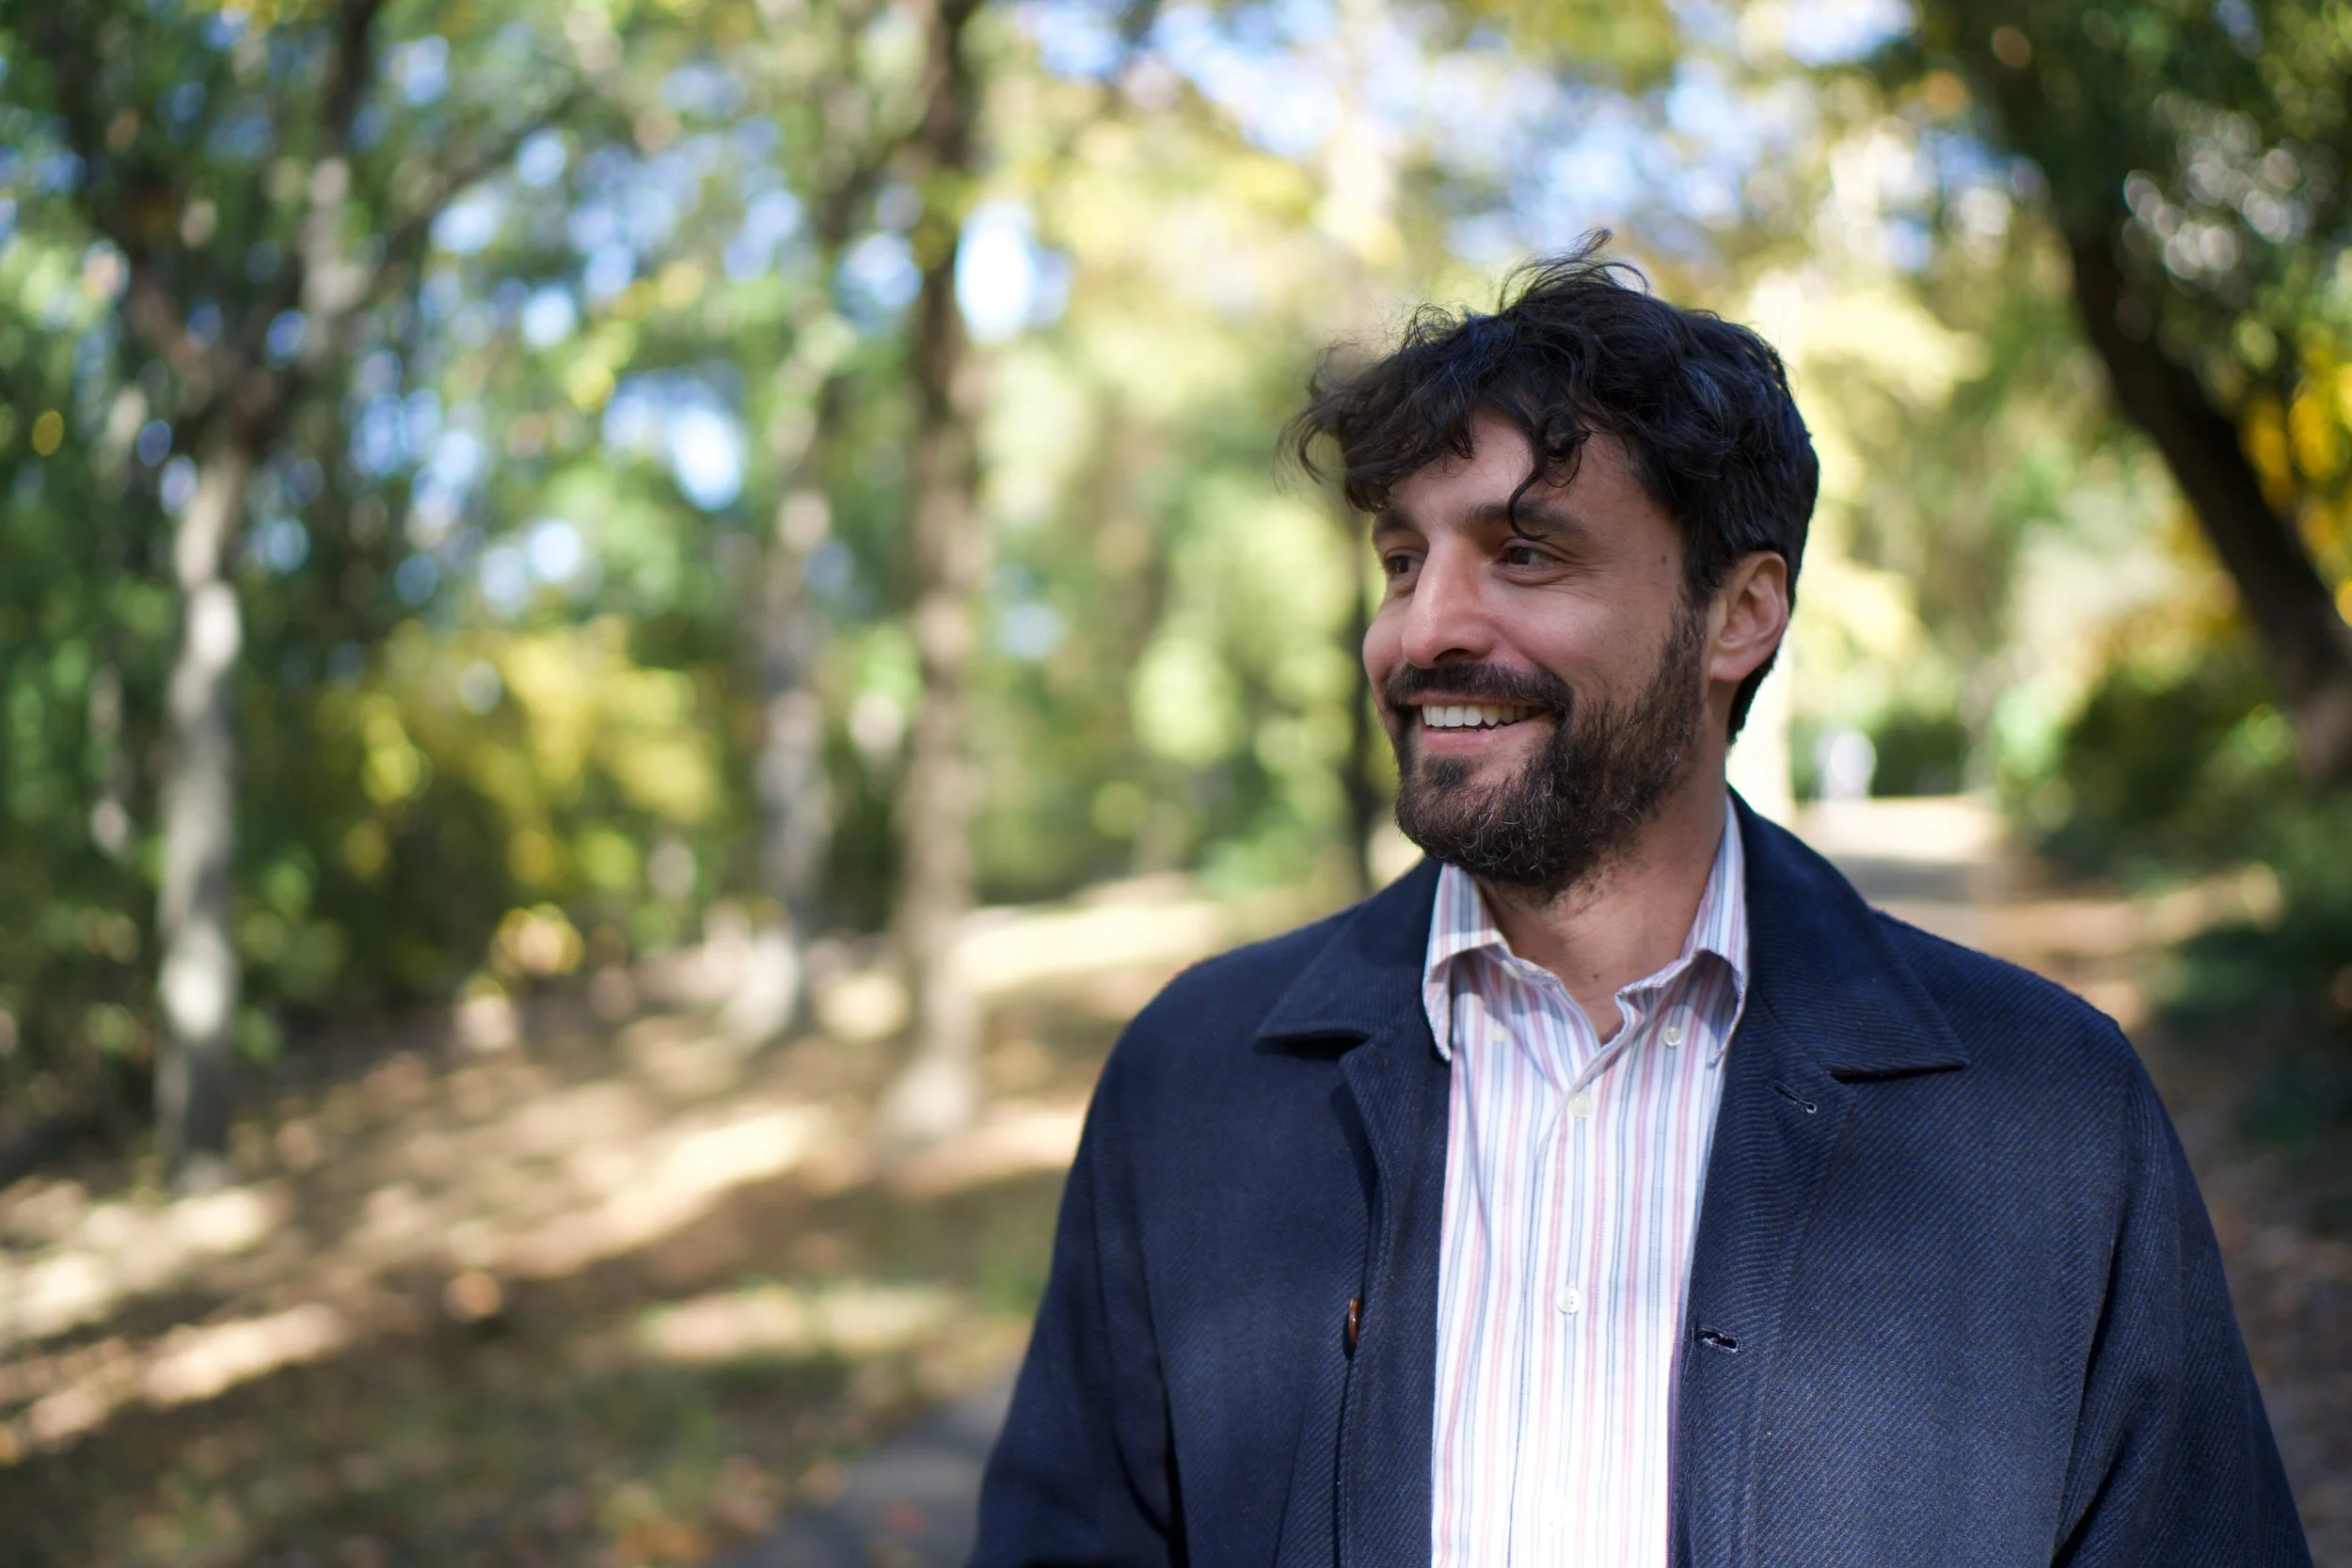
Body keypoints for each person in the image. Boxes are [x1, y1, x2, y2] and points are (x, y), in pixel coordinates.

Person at [970, 248, 2309, 1566]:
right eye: (1402, 560)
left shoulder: (2047, 1118)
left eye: (1525, 553)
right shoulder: (1195, 1086)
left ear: (1740, 613)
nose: (1422, 630)